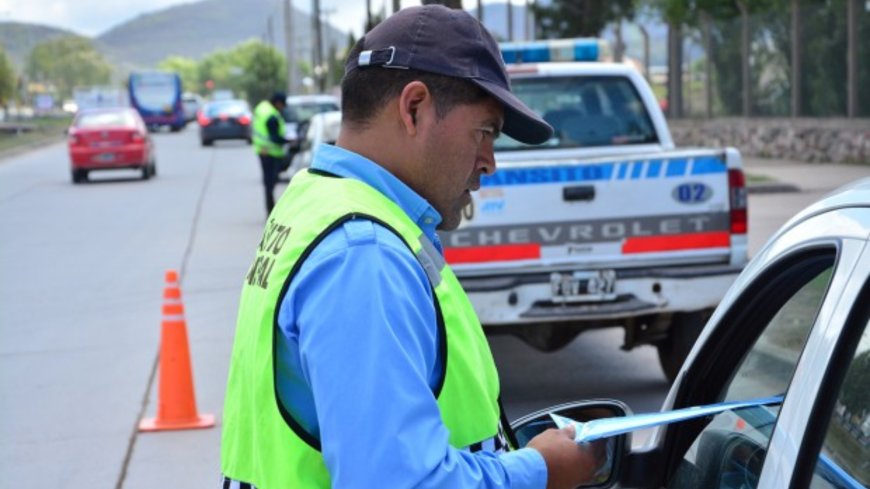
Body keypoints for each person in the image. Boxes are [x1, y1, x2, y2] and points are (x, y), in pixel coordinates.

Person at [221, 5, 604, 489]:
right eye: (485, 132)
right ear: (415, 108)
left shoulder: (313, 201)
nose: (489, 162)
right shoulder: (364, 254)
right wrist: (541, 470)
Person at [251, 91, 291, 214]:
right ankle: (271, 211)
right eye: (282, 105)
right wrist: (289, 141)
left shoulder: (262, 107)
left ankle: (270, 209)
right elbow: (274, 138)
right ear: (278, 103)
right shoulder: (271, 116)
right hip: (270, 152)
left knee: (268, 183)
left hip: (262, 150)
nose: (283, 108)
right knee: (270, 183)